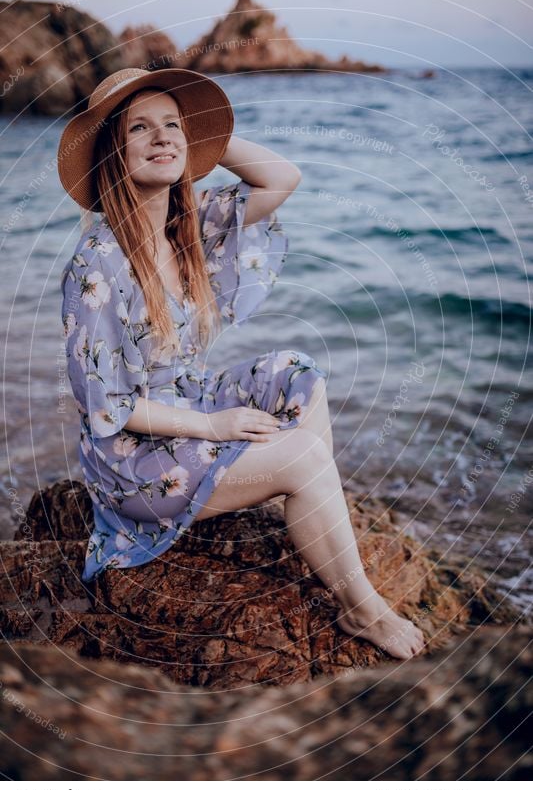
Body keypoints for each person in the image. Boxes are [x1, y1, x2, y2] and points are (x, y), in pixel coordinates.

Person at [58, 67, 425, 660]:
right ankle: (361, 609)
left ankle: (305, 504)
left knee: (297, 372)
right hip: (134, 460)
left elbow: (284, 176)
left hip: (188, 397)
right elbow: (109, 406)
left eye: (171, 126)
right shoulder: (98, 262)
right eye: (140, 129)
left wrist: (200, 136)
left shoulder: (190, 227)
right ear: (111, 155)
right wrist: (216, 427)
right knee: (303, 454)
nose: (162, 138)